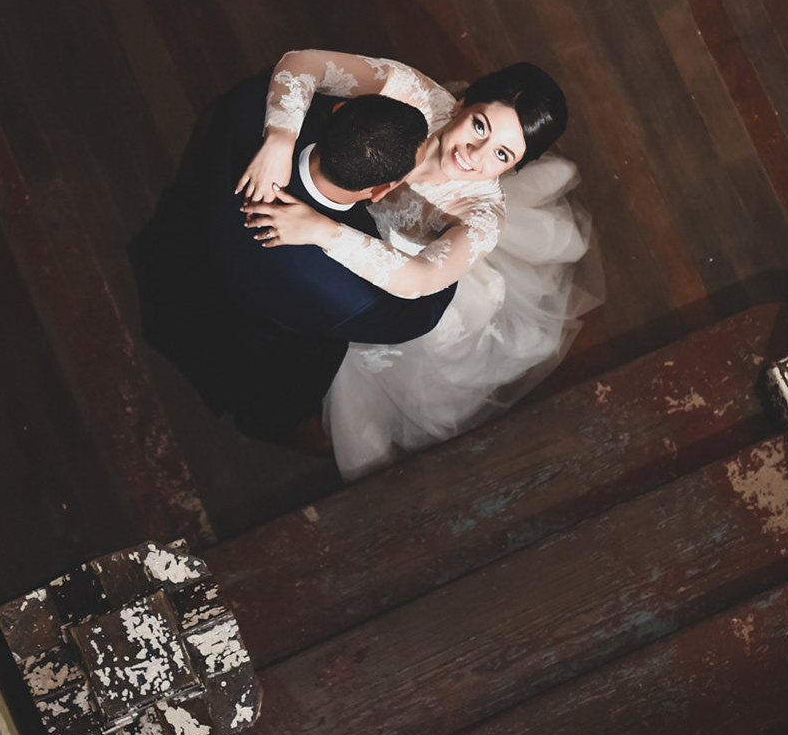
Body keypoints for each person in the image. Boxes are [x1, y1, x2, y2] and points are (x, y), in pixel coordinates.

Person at [240, 50, 601, 478]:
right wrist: (279, 139)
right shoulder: (418, 95)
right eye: (479, 126)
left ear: (516, 167)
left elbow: (421, 278)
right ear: (462, 104)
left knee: (352, 350)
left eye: (502, 156)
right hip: (344, 198)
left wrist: (322, 231)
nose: (474, 155)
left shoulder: (481, 216)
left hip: (388, 270)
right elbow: (302, 63)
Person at [128, 69, 456, 451]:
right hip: (254, 348)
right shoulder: (357, 294)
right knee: (278, 396)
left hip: (181, 246)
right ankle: (269, 427)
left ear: (338, 110)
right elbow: (424, 309)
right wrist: (460, 233)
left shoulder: (261, 100)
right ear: (382, 189)